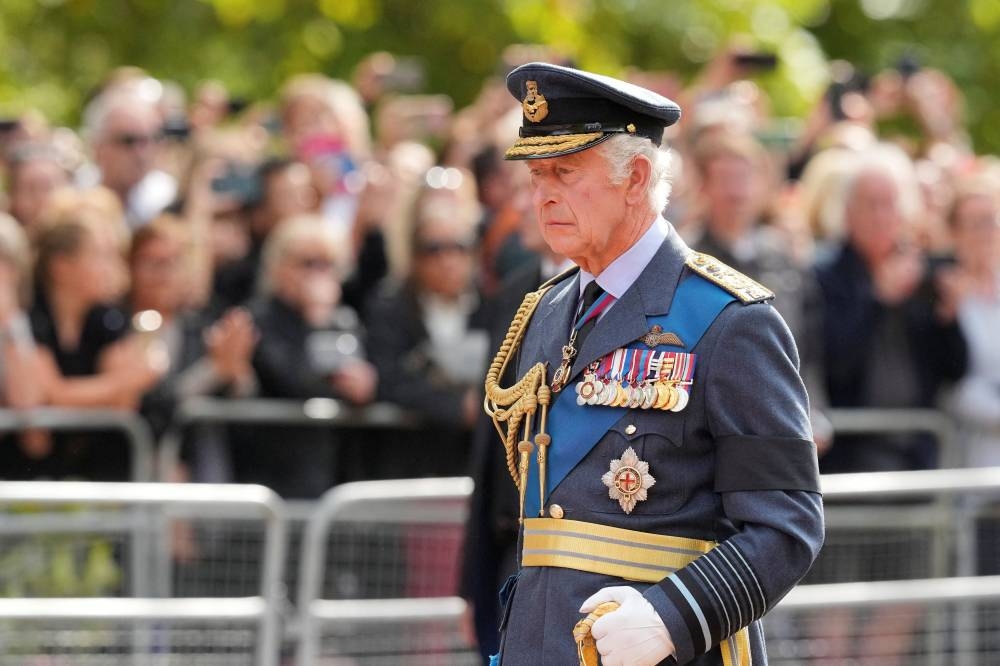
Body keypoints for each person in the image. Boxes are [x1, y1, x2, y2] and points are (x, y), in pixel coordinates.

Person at [482, 62, 823, 666]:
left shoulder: (729, 320)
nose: (543, 195)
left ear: (635, 177)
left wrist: (673, 616)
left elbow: (786, 525)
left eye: (564, 171)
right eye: (536, 175)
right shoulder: (545, 309)